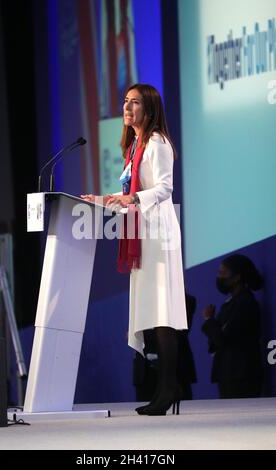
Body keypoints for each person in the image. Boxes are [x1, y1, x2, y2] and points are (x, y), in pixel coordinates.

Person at [81, 83, 188, 415]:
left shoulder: (157, 143)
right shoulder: (134, 147)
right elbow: (129, 197)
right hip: (142, 231)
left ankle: (170, 388)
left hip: (158, 233)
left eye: (135, 103)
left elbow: (166, 187)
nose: (127, 108)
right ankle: (165, 389)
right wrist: (102, 201)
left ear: (150, 108)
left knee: (163, 313)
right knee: (152, 313)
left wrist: (132, 198)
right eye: (125, 102)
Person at [201, 254, 263, 399]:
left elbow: (223, 338)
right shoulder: (230, 303)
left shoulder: (245, 303)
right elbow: (218, 339)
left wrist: (209, 319)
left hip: (241, 375)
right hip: (229, 374)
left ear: (236, 277)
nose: (219, 277)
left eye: (223, 273)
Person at [133, 292, 197, 402]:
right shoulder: (141, 298)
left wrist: (142, 335)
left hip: (174, 370)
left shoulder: (184, 299)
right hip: (145, 371)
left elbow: (178, 333)